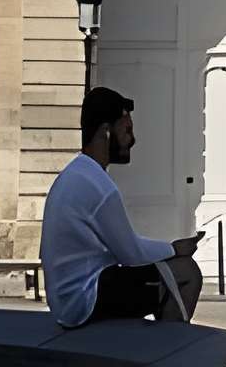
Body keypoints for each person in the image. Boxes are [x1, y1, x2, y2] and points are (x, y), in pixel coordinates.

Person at [40, 87, 204, 328]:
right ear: (106, 133)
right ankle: (170, 352)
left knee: (164, 274)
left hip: (67, 301)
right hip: (85, 302)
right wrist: (175, 249)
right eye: (127, 130)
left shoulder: (76, 174)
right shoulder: (97, 185)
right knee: (185, 272)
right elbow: (131, 253)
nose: (133, 139)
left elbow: (125, 249)